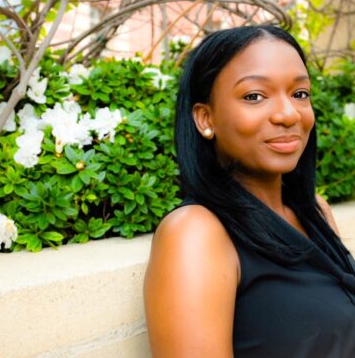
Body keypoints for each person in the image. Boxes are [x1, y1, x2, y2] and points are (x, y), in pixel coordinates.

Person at [143, 25, 355, 357]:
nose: (288, 114)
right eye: (254, 96)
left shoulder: (315, 210)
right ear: (205, 118)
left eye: (300, 93)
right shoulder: (196, 233)